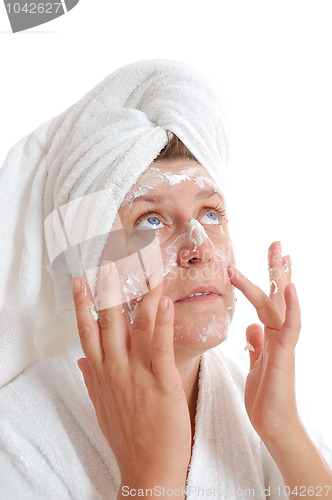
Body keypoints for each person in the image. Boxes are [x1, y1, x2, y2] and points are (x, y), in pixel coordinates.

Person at [0, 60, 331, 500]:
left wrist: (285, 432)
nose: (201, 248)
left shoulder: (253, 402)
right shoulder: (19, 435)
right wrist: (150, 476)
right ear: (89, 262)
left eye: (210, 213)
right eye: (151, 220)